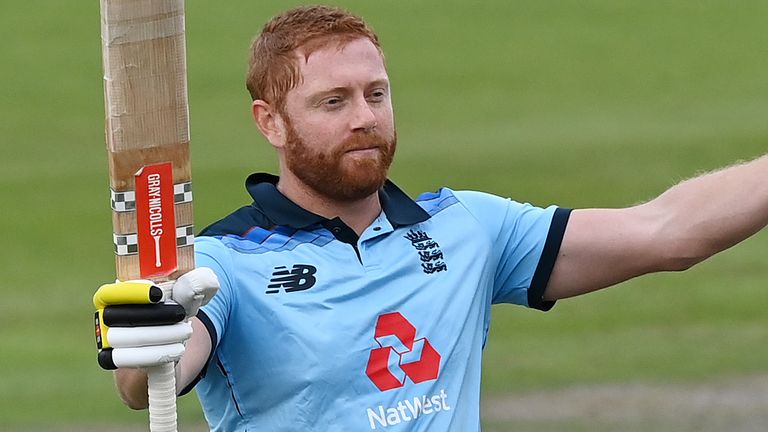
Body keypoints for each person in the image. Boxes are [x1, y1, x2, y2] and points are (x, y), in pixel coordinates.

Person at [92, 5, 768, 431]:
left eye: (375, 93)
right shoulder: (222, 264)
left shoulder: (466, 228)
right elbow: (148, 381)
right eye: (333, 101)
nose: (364, 117)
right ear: (270, 122)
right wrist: (147, 338)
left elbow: (668, 232)